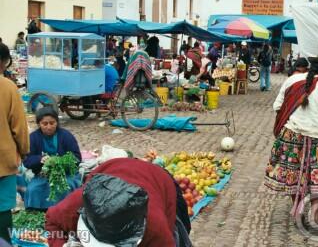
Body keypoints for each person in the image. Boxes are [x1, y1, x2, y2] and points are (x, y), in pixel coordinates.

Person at [267, 49, 318, 227]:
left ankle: (298, 207)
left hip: (291, 138)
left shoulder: (293, 80)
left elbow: (277, 105)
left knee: (293, 174)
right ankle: (314, 215)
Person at [45, 158, 191, 247]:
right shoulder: (76, 205)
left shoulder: (155, 229)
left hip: (158, 180)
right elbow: (52, 223)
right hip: (114, 168)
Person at [21, 107, 81, 210]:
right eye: (45, 124)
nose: (49, 127)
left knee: (62, 188)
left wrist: (60, 162)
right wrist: (41, 159)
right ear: (39, 124)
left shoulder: (66, 136)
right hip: (42, 175)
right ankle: (37, 211)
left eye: (52, 123)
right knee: (33, 189)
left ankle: (62, 212)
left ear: (57, 122)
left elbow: (77, 157)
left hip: (65, 174)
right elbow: (27, 160)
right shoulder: (33, 138)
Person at [0, 43, 30, 243]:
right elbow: (19, 127)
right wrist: (24, 151)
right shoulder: (8, 87)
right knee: (2, 210)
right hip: (3, 161)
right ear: (3, 62)